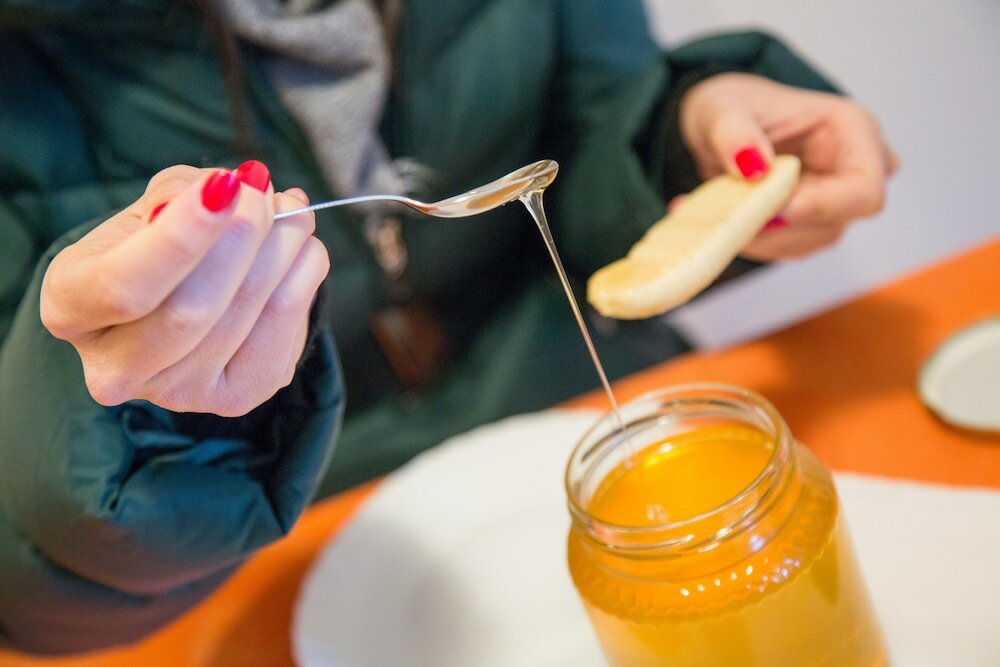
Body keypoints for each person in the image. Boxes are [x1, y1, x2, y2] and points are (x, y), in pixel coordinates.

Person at [0, 0, 895, 654]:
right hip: (277, 553)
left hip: (586, 406)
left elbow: (590, 133)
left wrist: (683, 137)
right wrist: (105, 405)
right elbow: (25, 578)